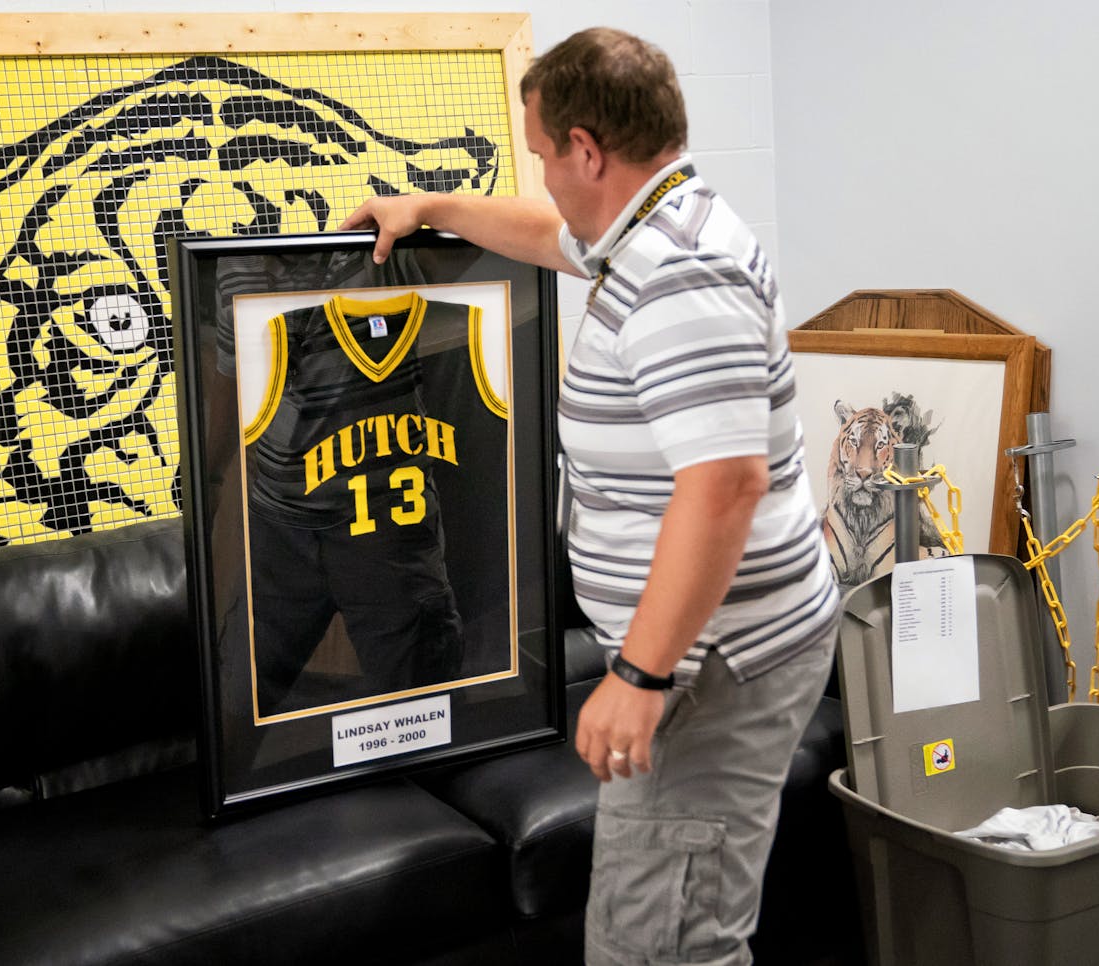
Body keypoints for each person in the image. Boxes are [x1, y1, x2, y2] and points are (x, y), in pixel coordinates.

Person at [340, 26, 839, 966]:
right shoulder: (647, 228)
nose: (542, 179)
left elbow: (724, 488)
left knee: (663, 947)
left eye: (542, 155)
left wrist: (640, 676)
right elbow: (544, 233)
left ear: (587, 149)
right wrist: (428, 205)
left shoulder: (682, 275)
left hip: (714, 667)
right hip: (712, 652)